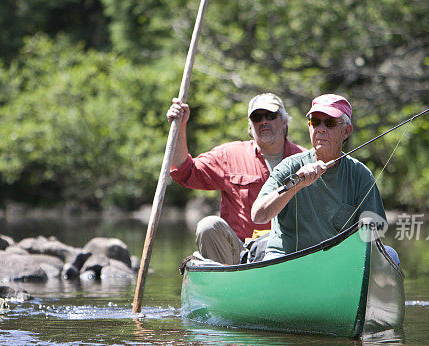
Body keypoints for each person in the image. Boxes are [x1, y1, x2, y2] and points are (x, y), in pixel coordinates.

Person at [251, 94, 394, 262]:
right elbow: (258, 216)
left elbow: (373, 235)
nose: (321, 128)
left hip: (334, 264)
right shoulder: (289, 166)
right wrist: (296, 184)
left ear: (346, 131)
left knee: (391, 254)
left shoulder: (360, 175)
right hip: (285, 258)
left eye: (330, 123)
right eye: (315, 121)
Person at [168, 93, 304, 265]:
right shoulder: (229, 155)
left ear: (284, 122)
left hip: (289, 252)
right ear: (250, 126)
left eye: (270, 116)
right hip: (240, 255)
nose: (263, 122)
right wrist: (179, 126)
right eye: (256, 117)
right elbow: (184, 172)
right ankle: (223, 285)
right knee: (208, 225)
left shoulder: (305, 159)